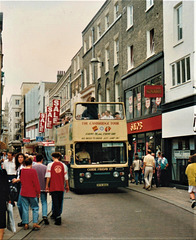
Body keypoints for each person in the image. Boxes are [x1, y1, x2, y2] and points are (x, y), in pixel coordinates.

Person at [45, 152, 69, 226]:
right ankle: (57, 214)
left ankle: (58, 218)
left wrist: (47, 186)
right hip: (61, 186)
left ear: (53, 157)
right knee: (59, 201)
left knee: (55, 202)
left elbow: (48, 176)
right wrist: (67, 185)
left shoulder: (50, 165)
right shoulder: (63, 165)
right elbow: (66, 176)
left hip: (53, 186)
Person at [20, 157, 41, 230]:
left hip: (24, 191)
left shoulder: (22, 171)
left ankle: (26, 223)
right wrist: (38, 192)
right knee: (35, 207)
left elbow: (21, 180)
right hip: (32, 192)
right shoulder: (33, 171)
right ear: (31, 163)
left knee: (25, 208)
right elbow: (36, 182)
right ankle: (35, 223)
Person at [33, 154, 49, 225]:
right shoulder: (45, 167)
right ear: (42, 159)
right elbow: (47, 177)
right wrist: (47, 186)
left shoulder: (32, 167)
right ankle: (44, 215)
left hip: (35, 188)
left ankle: (36, 218)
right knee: (44, 201)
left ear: (35, 159)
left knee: (35, 203)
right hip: (43, 187)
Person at [12, 152, 26, 227]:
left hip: (23, 186)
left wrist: (17, 180)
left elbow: (23, 177)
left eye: (21, 157)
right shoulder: (19, 166)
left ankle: (24, 221)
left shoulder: (24, 166)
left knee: (20, 204)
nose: (20, 159)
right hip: (19, 185)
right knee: (21, 204)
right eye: (19, 157)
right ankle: (24, 220)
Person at [0, 166, 10, 240]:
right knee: (1, 218)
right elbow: (6, 186)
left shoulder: (3, 172)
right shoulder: (3, 172)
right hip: (1, 198)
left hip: (2, 197)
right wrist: (8, 198)